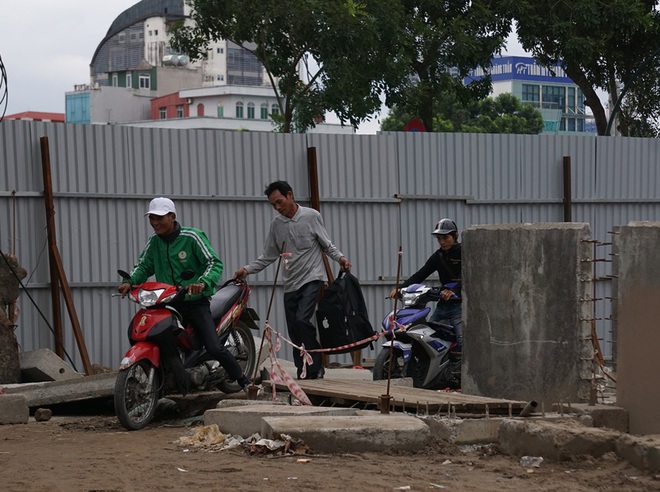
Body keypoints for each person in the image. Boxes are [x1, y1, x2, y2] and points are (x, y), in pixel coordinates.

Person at [117, 197, 251, 395]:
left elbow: (213, 263)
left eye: (159, 218)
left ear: (172, 217)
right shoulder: (154, 242)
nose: (155, 223)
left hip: (194, 302)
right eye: (152, 218)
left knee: (213, 347)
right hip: (166, 303)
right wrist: (130, 281)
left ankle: (243, 380)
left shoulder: (192, 237)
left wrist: (202, 283)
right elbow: (144, 265)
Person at [233, 180, 351, 380]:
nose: (278, 208)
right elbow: (268, 256)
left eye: (280, 202)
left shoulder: (312, 217)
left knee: (303, 319)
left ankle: (315, 366)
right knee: (295, 329)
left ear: (290, 195)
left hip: (312, 278)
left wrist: (340, 258)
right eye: (273, 205)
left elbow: (326, 245)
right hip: (290, 284)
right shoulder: (277, 225)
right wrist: (247, 269)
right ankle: (302, 370)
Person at [390, 218, 462, 351]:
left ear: (455, 235)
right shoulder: (438, 256)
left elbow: (468, 276)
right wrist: (400, 288)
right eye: (439, 238)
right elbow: (420, 274)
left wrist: (455, 290)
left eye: (445, 238)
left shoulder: (464, 252)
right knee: (429, 338)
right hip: (443, 305)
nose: (442, 242)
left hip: (460, 306)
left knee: (463, 342)